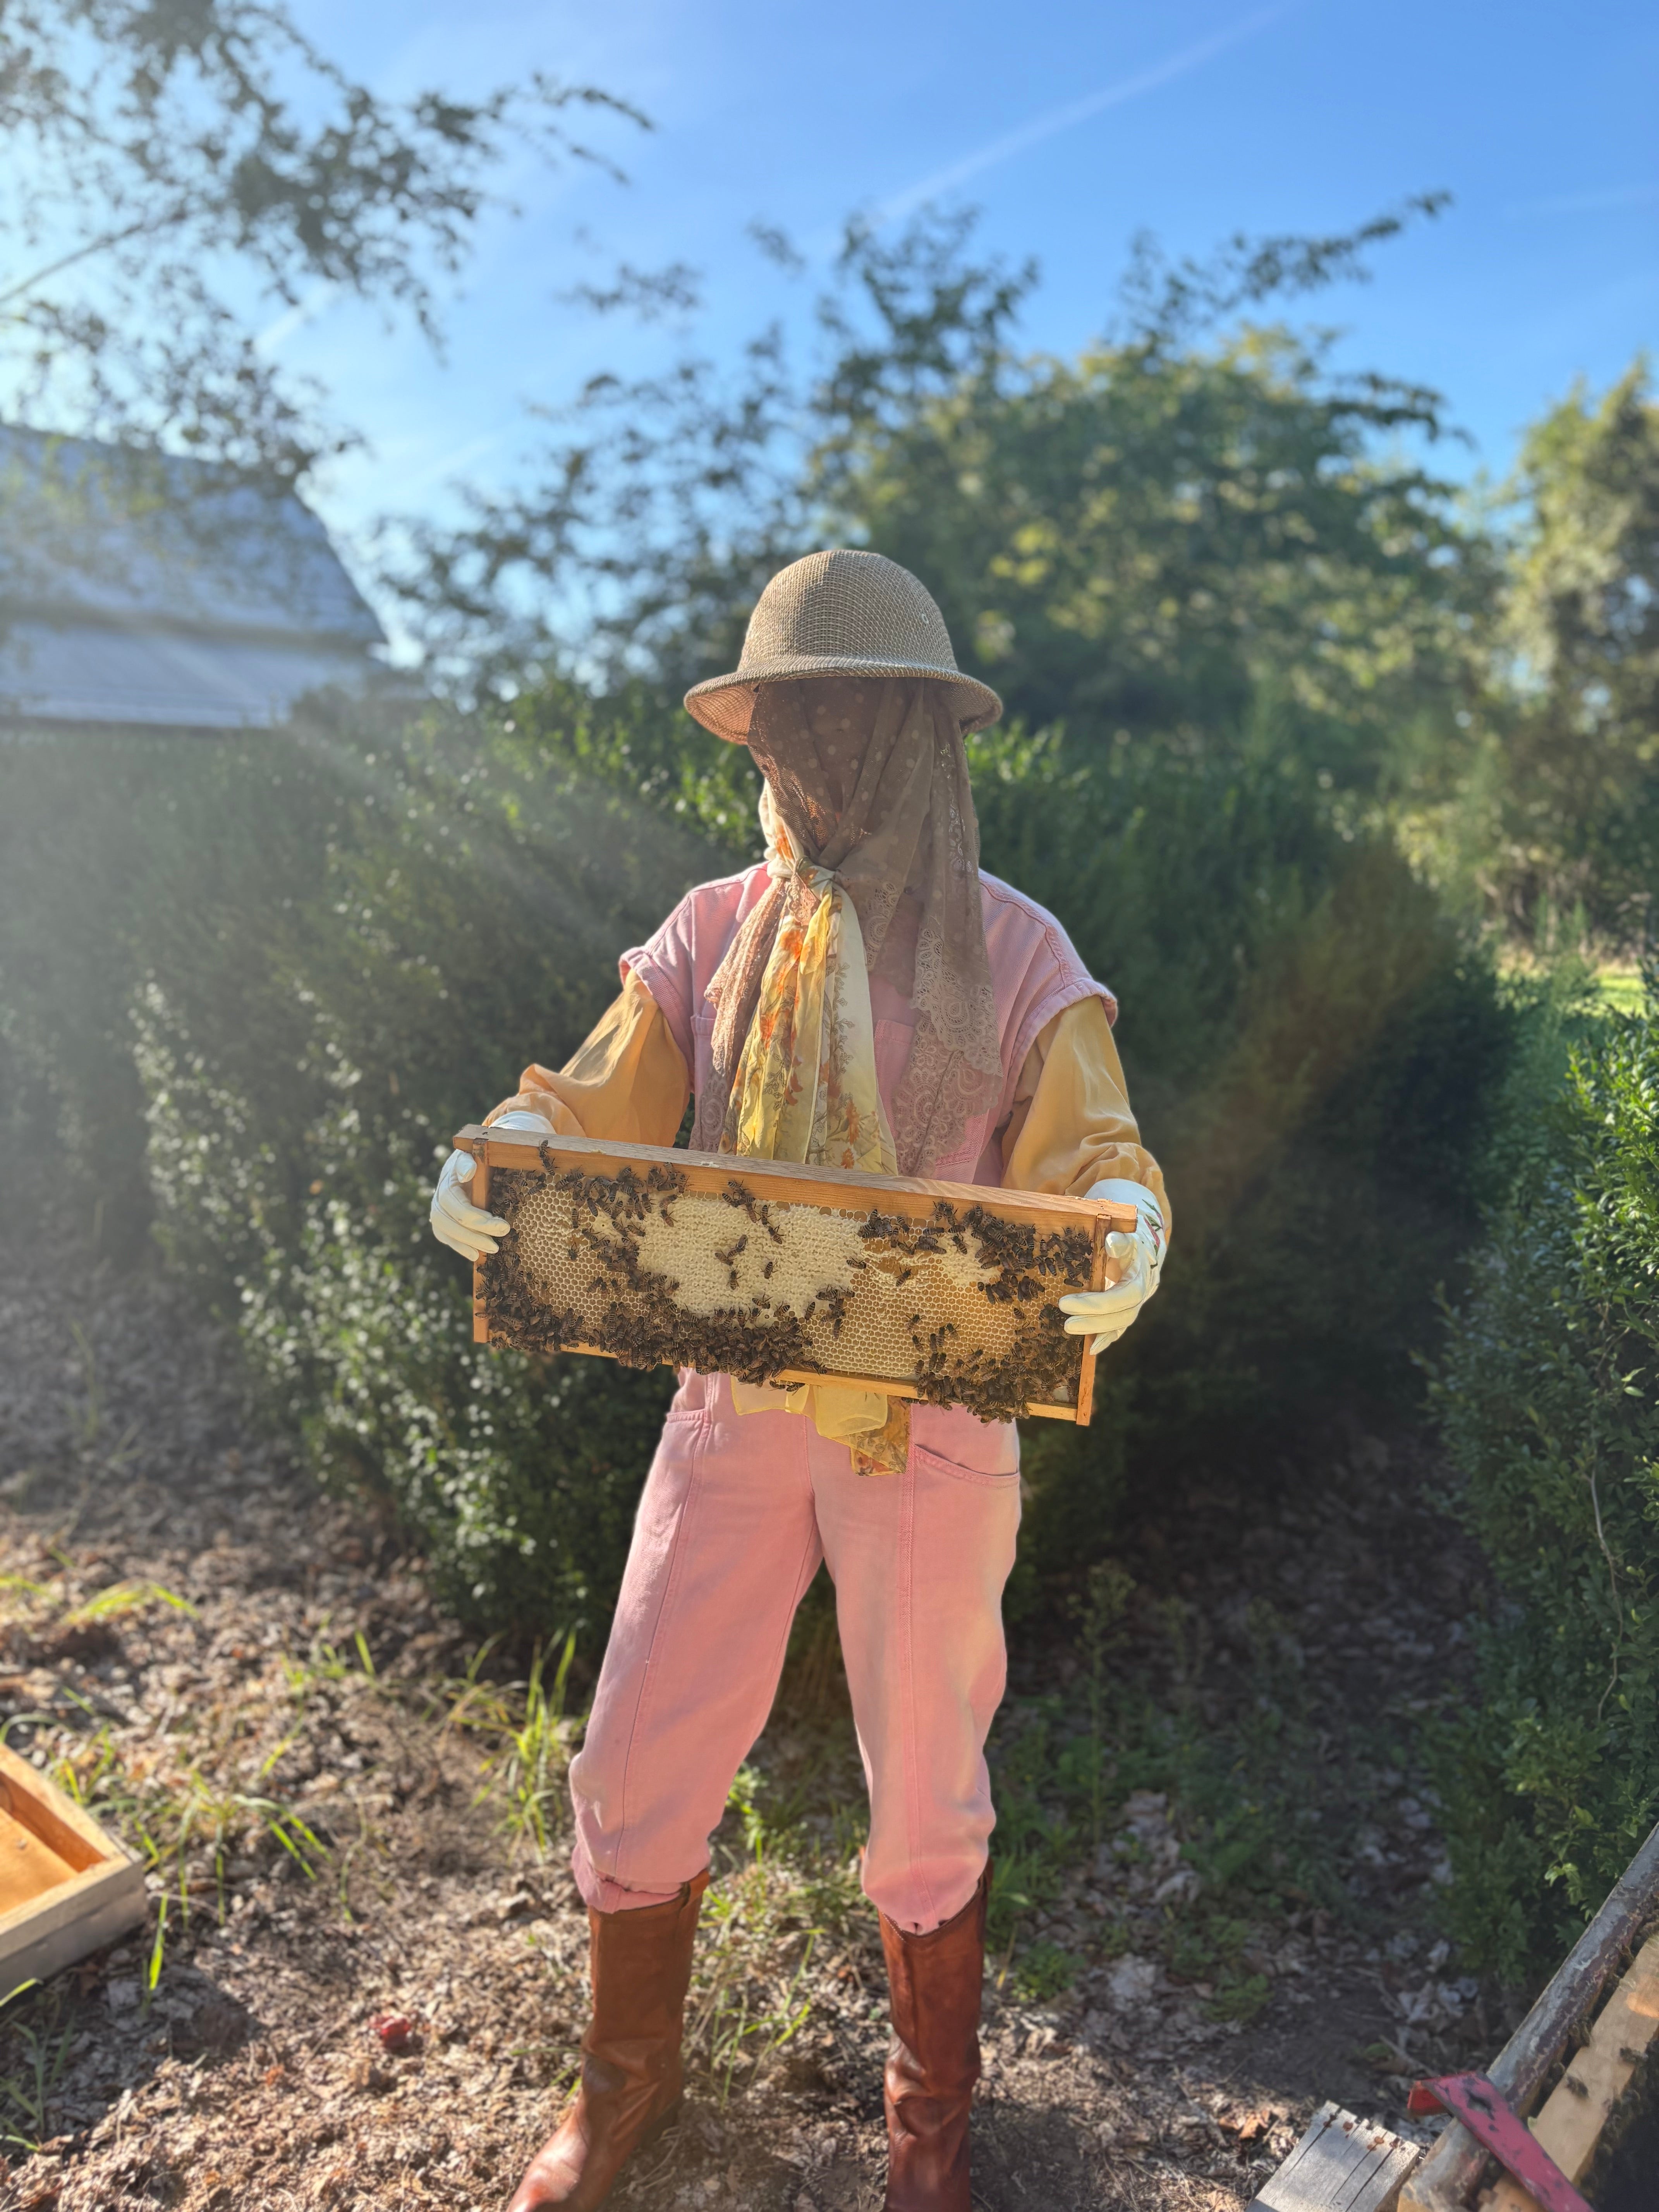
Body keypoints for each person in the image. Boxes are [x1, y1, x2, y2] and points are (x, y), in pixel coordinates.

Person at [430, 550, 1169, 2212]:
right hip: (737, 1398)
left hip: (936, 1420)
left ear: (923, 736)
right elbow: (596, 1098)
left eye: (856, 715)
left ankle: (930, 2134)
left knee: (925, 1795)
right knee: (635, 1747)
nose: (821, 752)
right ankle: (624, 2088)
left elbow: (1096, 1144)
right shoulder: (711, 930)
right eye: (792, 719)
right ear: (757, 738)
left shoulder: (1014, 946)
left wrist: (1123, 1219)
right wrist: (512, 1152)